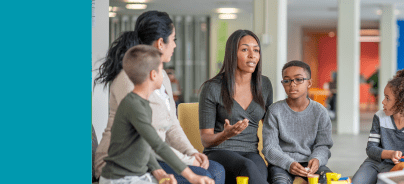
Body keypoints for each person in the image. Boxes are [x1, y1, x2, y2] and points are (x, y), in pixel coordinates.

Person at [93, 10, 225, 184]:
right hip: (123, 165)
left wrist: (191, 152)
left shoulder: (161, 76)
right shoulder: (130, 78)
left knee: (217, 169)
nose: (175, 46)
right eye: (174, 40)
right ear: (161, 43)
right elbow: (149, 141)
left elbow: (172, 124)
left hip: (150, 158)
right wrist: (188, 164)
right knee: (206, 176)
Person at [100, 45, 213, 184]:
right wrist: (191, 176)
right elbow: (158, 144)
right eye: (161, 70)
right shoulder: (133, 105)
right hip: (119, 178)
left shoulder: (143, 104)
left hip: (137, 175)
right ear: (153, 75)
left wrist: (158, 173)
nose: (164, 75)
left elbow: (146, 144)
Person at [198, 29, 273, 184]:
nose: (252, 55)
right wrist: (225, 134)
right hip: (219, 151)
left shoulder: (264, 85)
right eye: (245, 49)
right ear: (232, 53)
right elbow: (206, 139)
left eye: (256, 50)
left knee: (259, 170)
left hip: (251, 152)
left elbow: (271, 128)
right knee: (247, 167)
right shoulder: (212, 87)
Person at [263, 60, 333, 184]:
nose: (292, 84)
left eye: (299, 79)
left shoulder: (320, 111)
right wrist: (289, 163)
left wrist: (317, 159)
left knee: (329, 179)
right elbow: (270, 147)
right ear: (283, 83)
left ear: (309, 83)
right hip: (281, 163)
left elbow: (323, 145)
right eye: (287, 80)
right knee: (280, 181)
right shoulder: (275, 110)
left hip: (310, 163)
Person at [352, 70, 404, 184]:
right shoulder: (379, 117)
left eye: (387, 98)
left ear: (403, 101)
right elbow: (371, 149)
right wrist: (390, 154)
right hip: (373, 163)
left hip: (395, 166)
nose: (383, 102)